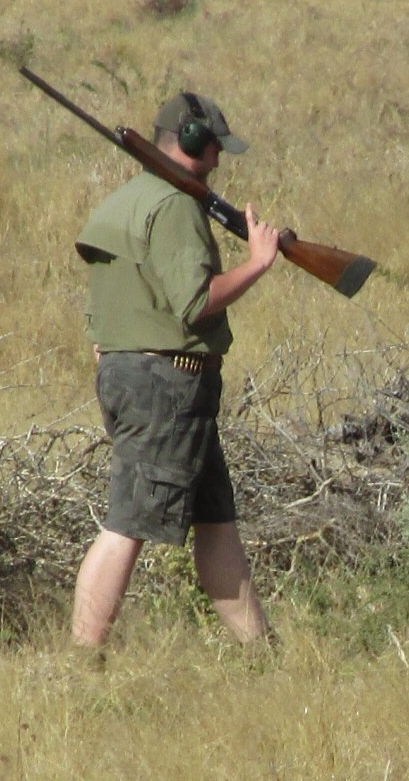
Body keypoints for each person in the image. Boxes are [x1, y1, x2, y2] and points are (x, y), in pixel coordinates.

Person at [69, 91, 282, 649]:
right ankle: (81, 666)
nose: (218, 162)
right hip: (167, 385)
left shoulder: (127, 200)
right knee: (127, 527)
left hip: (143, 378)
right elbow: (194, 303)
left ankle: (265, 658)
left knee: (217, 526)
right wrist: (258, 263)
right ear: (192, 142)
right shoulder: (176, 206)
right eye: (214, 148)